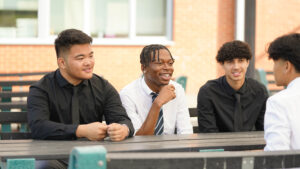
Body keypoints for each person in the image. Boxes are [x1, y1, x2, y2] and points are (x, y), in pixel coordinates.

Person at [27, 29, 134, 168]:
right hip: (53, 157)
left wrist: (122, 129)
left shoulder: (103, 86)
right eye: (80, 58)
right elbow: (38, 127)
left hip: (94, 156)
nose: (88, 62)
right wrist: (81, 130)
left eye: (90, 56)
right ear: (62, 63)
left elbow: (122, 119)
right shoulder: (41, 89)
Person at [120, 44, 193, 135]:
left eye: (170, 63)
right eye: (160, 63)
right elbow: (138, 139)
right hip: (142, 148)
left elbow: (185, 131)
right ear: (144, 68)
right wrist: (157, 104)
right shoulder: (128, 94)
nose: (167, 68)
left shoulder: (177, 89)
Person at [197, 40, 268, 132]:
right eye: (230, 62)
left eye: (241, 61)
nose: (236, 67)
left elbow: (263, 130)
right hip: (218, 145)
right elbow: (208, 132)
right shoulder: (208, 92)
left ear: (247, 62)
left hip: (251, 145)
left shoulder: (259, 91)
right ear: (222, 64)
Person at [264, 33, 300, 151]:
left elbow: (276, 156)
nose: (273, 68)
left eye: (275, 62)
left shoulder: (278, 102)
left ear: (287, 66)